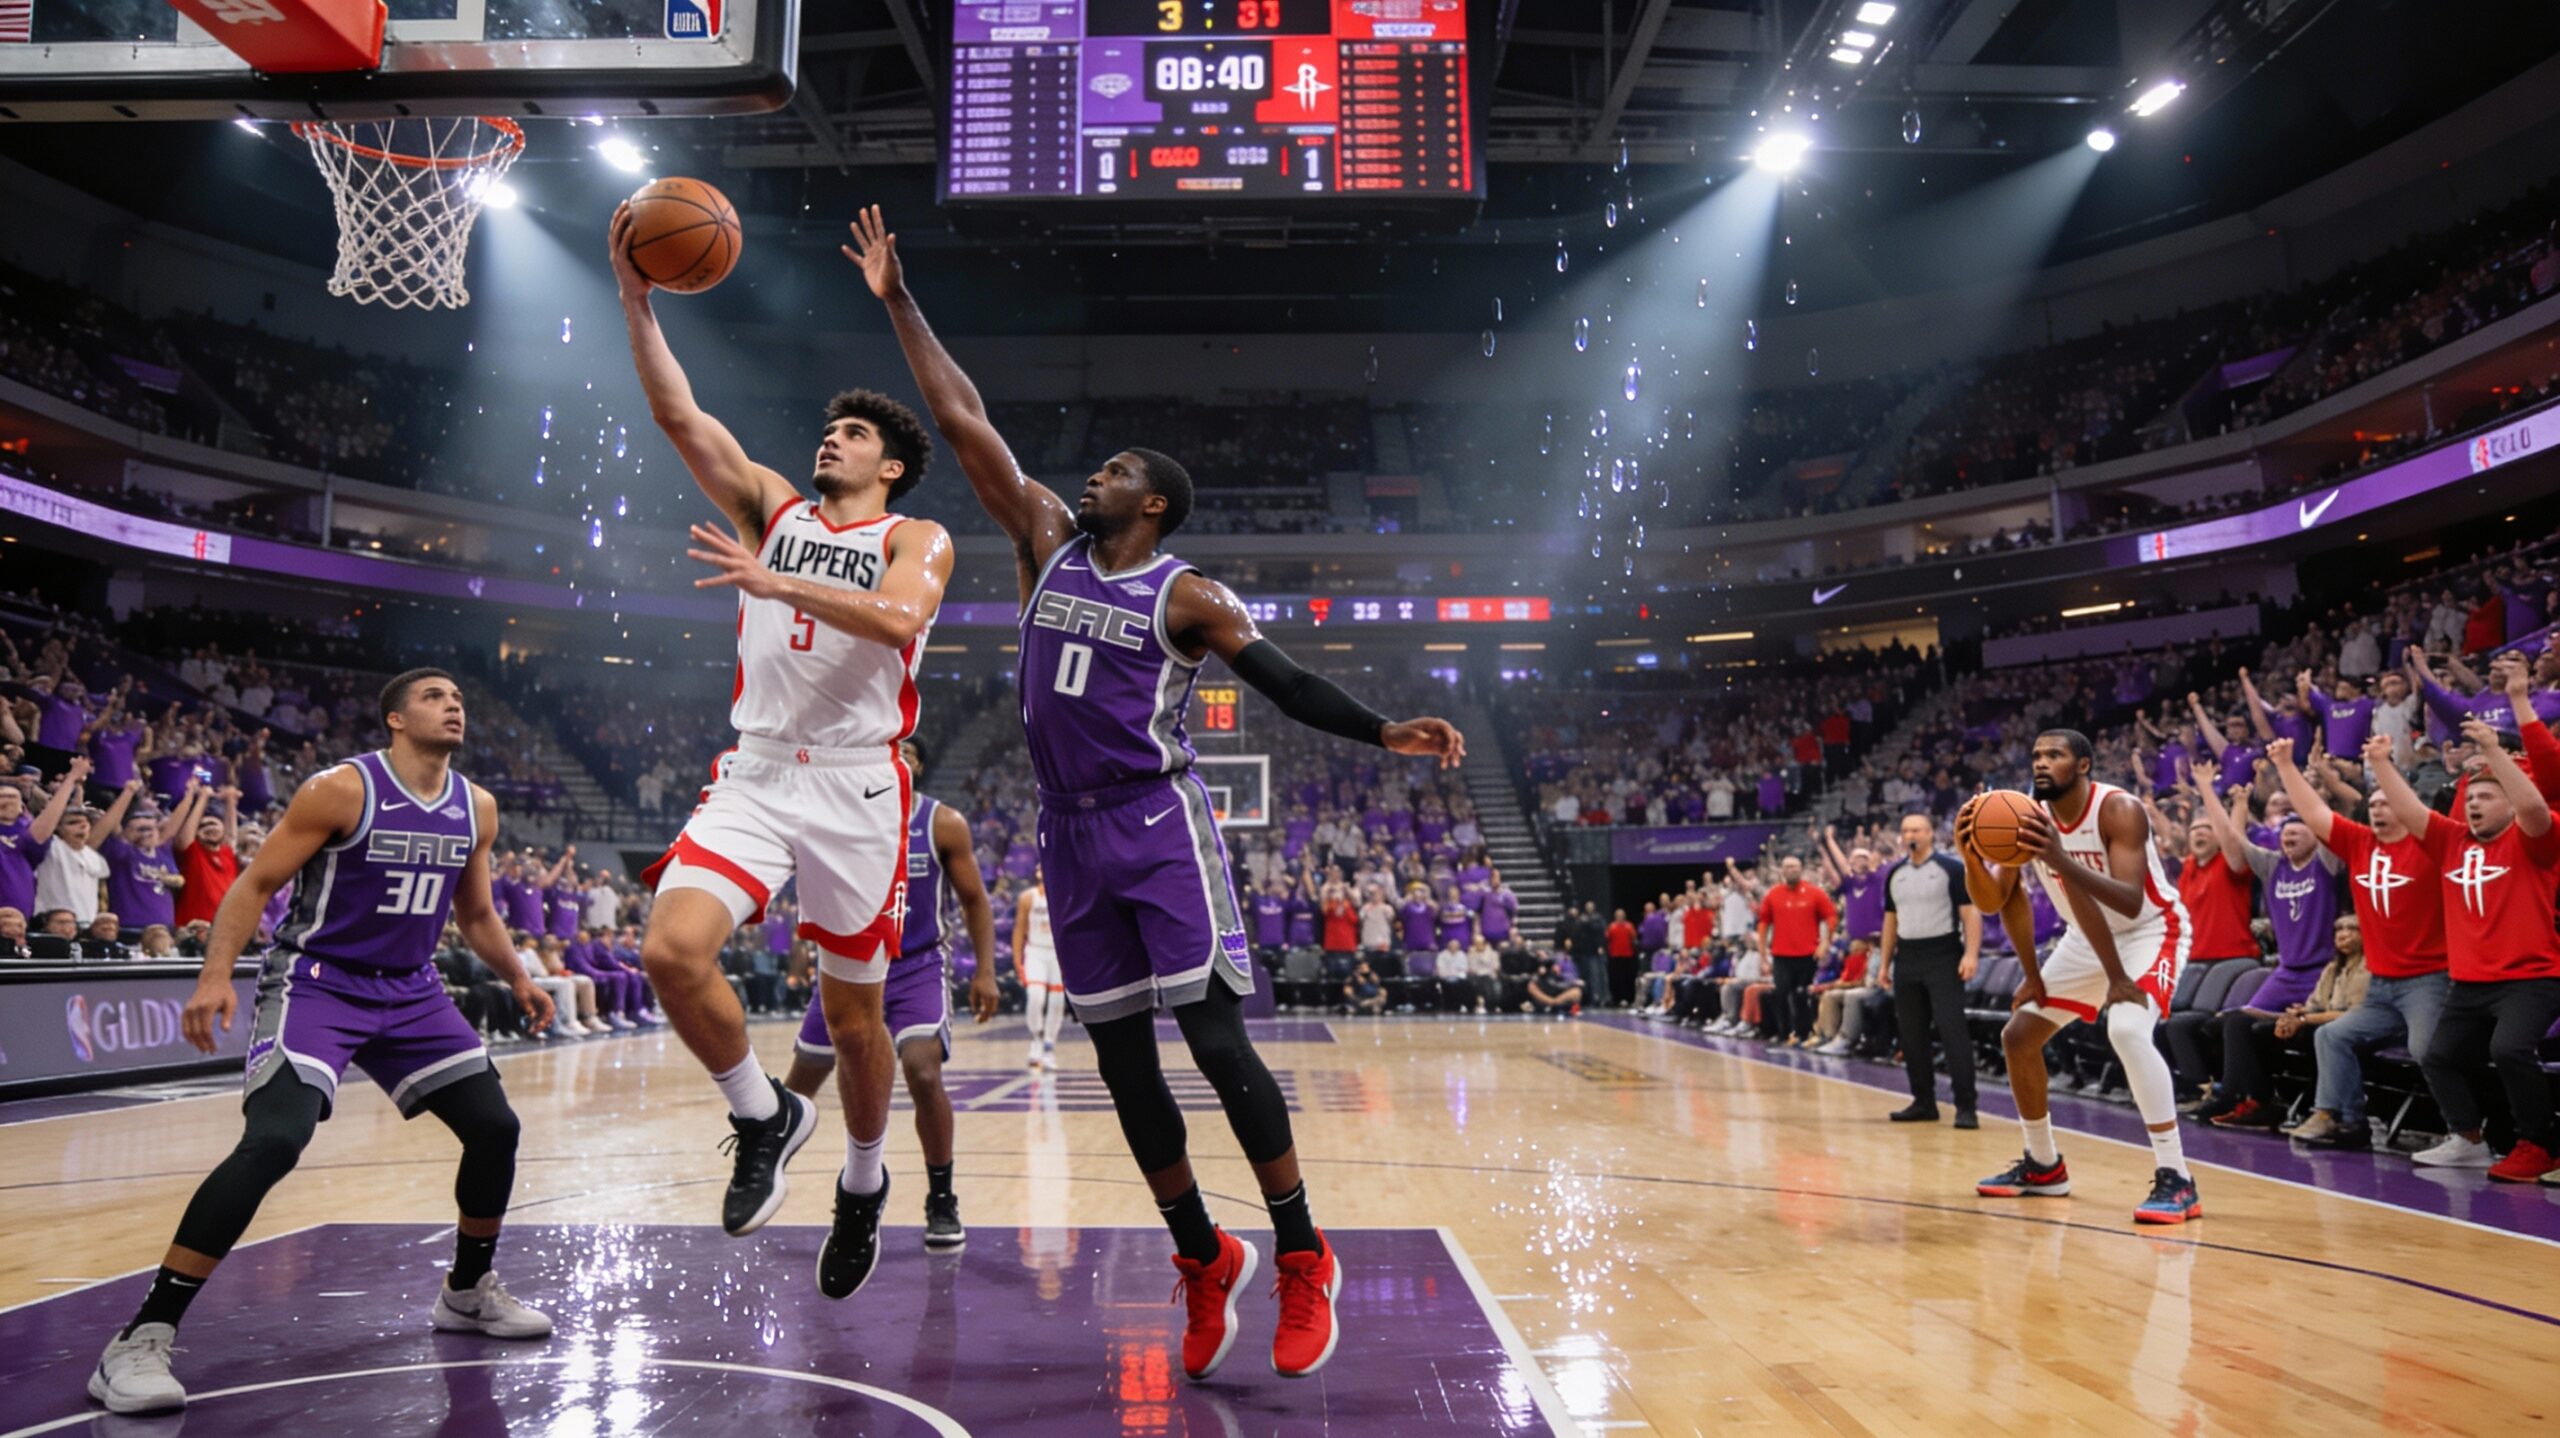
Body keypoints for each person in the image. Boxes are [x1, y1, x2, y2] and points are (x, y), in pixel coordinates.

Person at [855, 204, 1463, 1381]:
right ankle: (1202, 1257)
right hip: (1070, 840)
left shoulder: (1189, 595)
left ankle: (1300, 1252)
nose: (1095, 472)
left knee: (1220, 1044)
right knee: (1125, 1074)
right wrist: (897, 299)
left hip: (1156, 824)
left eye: (1118, 470)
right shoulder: (1043, 537)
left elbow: (1281, 681)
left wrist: (1383, 726)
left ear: (1154, 506)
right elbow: (960, 418)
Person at [614, 201, 955, 1306]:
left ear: (893, 467)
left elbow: (900, 623)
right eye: (829, 429)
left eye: (854, 435)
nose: (832, 439)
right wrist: (637, 295)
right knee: (670, 950)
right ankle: (763, 1115)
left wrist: (777, 582)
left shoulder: (912, 537)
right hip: (759, 768)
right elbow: (682, 418)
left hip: (860, 782)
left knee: (856, 1023)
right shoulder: (775, 506)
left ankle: (862, 1184)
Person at [87, 670, 556, 1417]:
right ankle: (141, 1338)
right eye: (436, 697)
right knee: (276, 1139)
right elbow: (253, 886)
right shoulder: (340, 789)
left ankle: (467, 1292)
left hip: (411, 988)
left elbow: (475, 914)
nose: (455, 704)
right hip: (320, 981)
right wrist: (215, 977)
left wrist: (522, 978)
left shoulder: (478, 807)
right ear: (396, 719)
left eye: (459, 697)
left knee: (495, 1127)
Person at [1963, 729, 2201, 1225]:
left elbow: (2128, 900)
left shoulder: (2119, 810)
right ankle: (2044, 1165)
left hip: (2150, 932)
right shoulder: (2028, 814)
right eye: (2036, 755)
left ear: (2085, 764)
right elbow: (1998, 901)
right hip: (2083, 938)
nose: (2041, 763)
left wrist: (2058, 858)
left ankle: (2177, 1177)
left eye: (2055, 755)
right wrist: (1971, 855)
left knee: (2128, 1030)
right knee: (2019, 1036)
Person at [784, 755, 1003, 1249]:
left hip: (915, 965)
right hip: (848, 964)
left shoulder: (942, 822)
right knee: (799, 1086)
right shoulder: (838, 816)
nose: (893, 756)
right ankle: (765, 1169)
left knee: (923, 1072)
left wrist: (985, 971)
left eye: (904, 750)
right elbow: (811, 892)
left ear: (919, 763)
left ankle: (941, 1198)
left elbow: (974, 901)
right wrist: (803, 956)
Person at [2377, 715, 2560, 1181]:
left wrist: (2494, 751)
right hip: (2470, 984)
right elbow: (2410, 810)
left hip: (2531, 978)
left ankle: (2541, 1146)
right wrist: (2380, 763)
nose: (2475, 804)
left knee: (2511, 1049)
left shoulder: (2534, 838)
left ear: (2509, 801)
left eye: (2487, 796)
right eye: (2471, 797)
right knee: (2440, 1055)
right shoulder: (2451, 840)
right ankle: (2471, 1139)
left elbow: (2535, 807)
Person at [2266, 735, 2449, 1148]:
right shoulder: (2360, 842)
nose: (2378, 806)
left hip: (2430, 978)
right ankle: (2344, 1119)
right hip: (2382, 984)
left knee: (2427, 1050)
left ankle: (2463, 1132)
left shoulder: (2431, 842)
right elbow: (2314, 812)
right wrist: (2285, 765)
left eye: (2388, 800)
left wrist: (2382, 763)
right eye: (2375, 801)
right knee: (2332, 1035)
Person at [1876, 812, 1981, 1126]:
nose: (1912, 834)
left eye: (1918, 829)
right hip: (1908, 956)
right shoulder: (1895, 873)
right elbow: (1890, 922)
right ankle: (1923, 1101)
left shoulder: (1951, 868)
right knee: (1911, 1034)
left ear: (1931, 833)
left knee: (1952, 1032)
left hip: (1943, 953)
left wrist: (1971, 954)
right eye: (1907, 829)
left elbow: (1970, 913)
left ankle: (1966, 1106)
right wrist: (1884, 964)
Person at [1754, 856, 1836, 1047]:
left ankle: (1804, 1033)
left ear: (1802, 869)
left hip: (1808, 954)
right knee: (1780, 994)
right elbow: (1763, 924)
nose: (1792, 870)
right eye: (1788, 866)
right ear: (1782, 870)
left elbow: (1831, 916)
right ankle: (1783, 1034)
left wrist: (1825, 942)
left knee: (1802, 995)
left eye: (1796, 866)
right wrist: (1763, 954)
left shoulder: (1815, 893)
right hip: (1781, 955)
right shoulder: (1773, 894)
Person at [1016, 871, 1064, 1070]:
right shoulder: (1028, 898)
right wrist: (1017, 960)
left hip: (1057, 952)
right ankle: (1036, 1037)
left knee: (1056, 1002)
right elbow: (1019, 929)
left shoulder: (1063, 895)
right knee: (1035, 996)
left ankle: (1048, 1046)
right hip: (1035, 951)